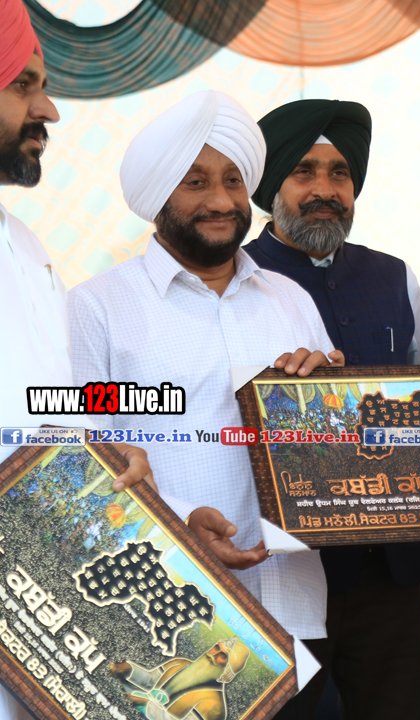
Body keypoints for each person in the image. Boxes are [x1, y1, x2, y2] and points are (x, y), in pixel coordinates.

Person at [68, 90, 342, 648]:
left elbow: (336, 448)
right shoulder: (99, 307)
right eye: (196, 182)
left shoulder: (291, 300)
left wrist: (336, 398)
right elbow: (79, 459)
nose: (221, 200)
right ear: (158, 196)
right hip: (170, 619)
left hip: (296, 609)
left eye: (233, 181)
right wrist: (177, 522)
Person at [242, 99, 420, 720]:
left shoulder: (396, 277)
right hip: (281, 574)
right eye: (304, 172)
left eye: (340, 174)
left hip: (392, 576)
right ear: (272, 186)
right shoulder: (237, 279)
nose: (324, 190)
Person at [0, 2, 151, 716]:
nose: (49, 110)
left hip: (42, 620)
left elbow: (42, 407)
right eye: (23, 84)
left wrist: (106, 456)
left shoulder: (24, 246)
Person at [109, 637, 251, 720]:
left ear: (229, 668)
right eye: (216, 647)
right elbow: (151, 679)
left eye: (223, 656)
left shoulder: (214, 705)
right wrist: (129, 668)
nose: (213, 654)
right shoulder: (181, 663)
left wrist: (145, 703)